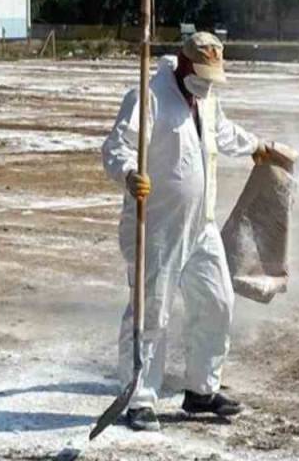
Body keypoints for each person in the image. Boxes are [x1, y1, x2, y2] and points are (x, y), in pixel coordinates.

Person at [102, 32, 271, 432]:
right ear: (183, 62)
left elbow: (221, 132)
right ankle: (139, 397)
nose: (208, 81)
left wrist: (255, 146)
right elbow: (116, 147)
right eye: (203, 72)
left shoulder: (207, 95)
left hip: (202, 223)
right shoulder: (149, 96)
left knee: (217, 301)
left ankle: (201, 391)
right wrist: (130, 175)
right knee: (151, 311)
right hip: (157, 225)